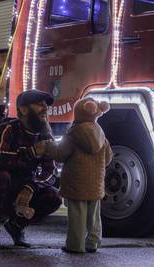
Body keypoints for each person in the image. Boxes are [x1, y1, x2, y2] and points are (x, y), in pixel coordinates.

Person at [0, 89, 62, 250]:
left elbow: (51, 172)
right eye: (39, 104)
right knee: (0, 176)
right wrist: (32, 152)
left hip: (23, 189)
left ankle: (16, 226)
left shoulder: (45, 136)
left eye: (46, 105)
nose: (45, 108)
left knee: (54, 196)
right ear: (23, 109)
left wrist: (31, 187)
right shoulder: (8, 128)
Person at [35, 97, 113, 253]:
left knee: (77, 216)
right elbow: (108, 158)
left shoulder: (73, 135)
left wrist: (49, 146)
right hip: (96, 183)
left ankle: (75, 245)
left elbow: (59, 155)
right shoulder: (101, 135)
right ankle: (93, 243)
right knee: (94, 216)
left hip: (76, 184)